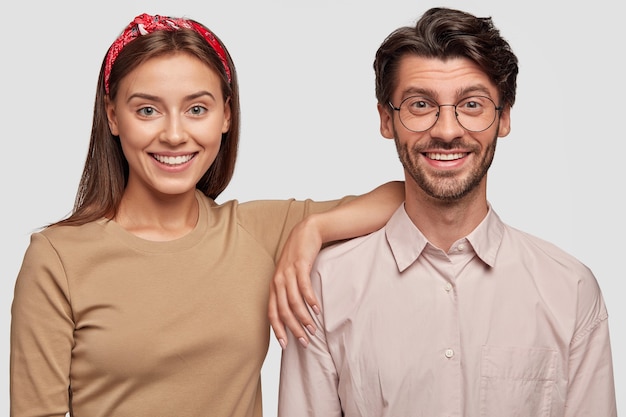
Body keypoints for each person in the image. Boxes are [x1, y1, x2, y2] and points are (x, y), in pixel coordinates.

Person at [9, 13, 404, 417]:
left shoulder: (256, 232)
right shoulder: (57, 258)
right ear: (112, 116)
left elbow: (406, 197)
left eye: (197, 109)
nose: (175, 134)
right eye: (147, 111)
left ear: (226, 116)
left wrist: (314, 227)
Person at [278, 7, 617, 417]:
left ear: (504, 116)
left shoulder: (570, 290)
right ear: (387, 119)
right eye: (420, 104)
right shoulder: (325, 288)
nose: (447, 130)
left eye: (471, 104)